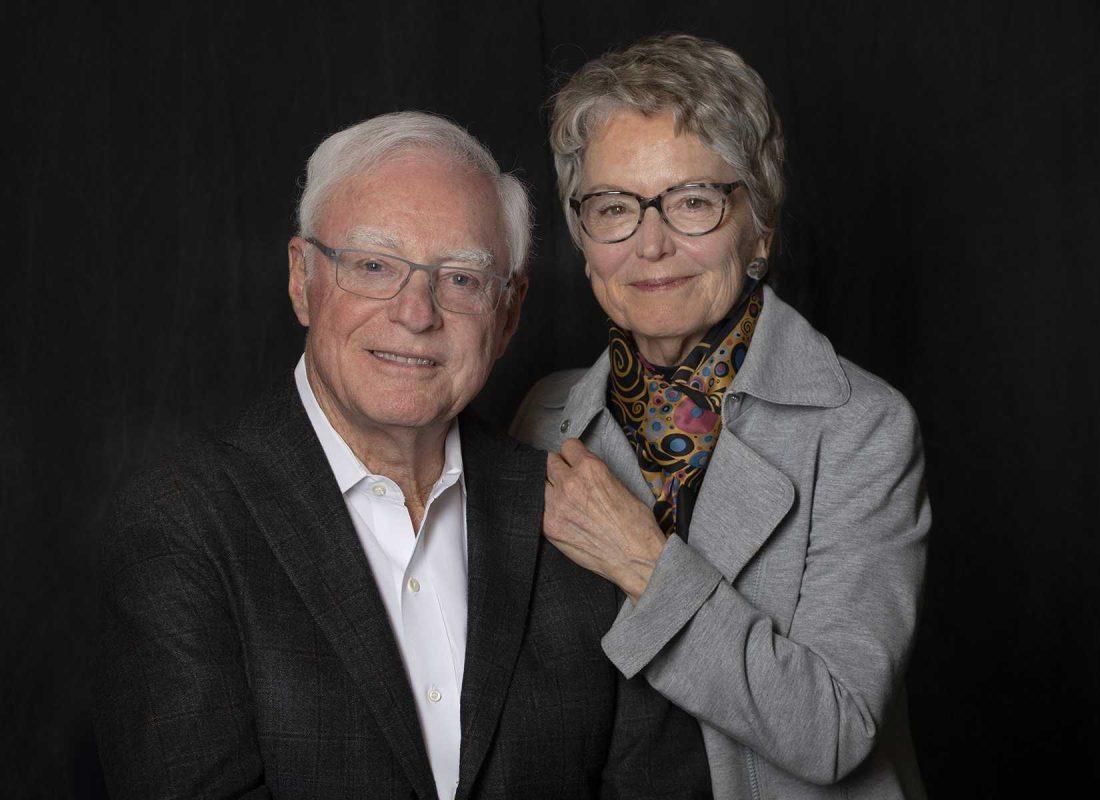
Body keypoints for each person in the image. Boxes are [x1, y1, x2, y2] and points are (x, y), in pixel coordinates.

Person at [93, 111, 711, 800]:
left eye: (461, 279)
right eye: (374, 266)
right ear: (303, 279)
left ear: (507, 314)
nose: (416, 313)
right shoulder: (184, 520)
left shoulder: (579, 514)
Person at [511, 35, 931, 799]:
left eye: (693, 201)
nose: (652, 244)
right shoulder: (546, 417)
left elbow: (832, 729)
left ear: (759, 226)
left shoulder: (862, 428)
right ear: (583, 241)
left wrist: (643, 561)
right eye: (613, 208)